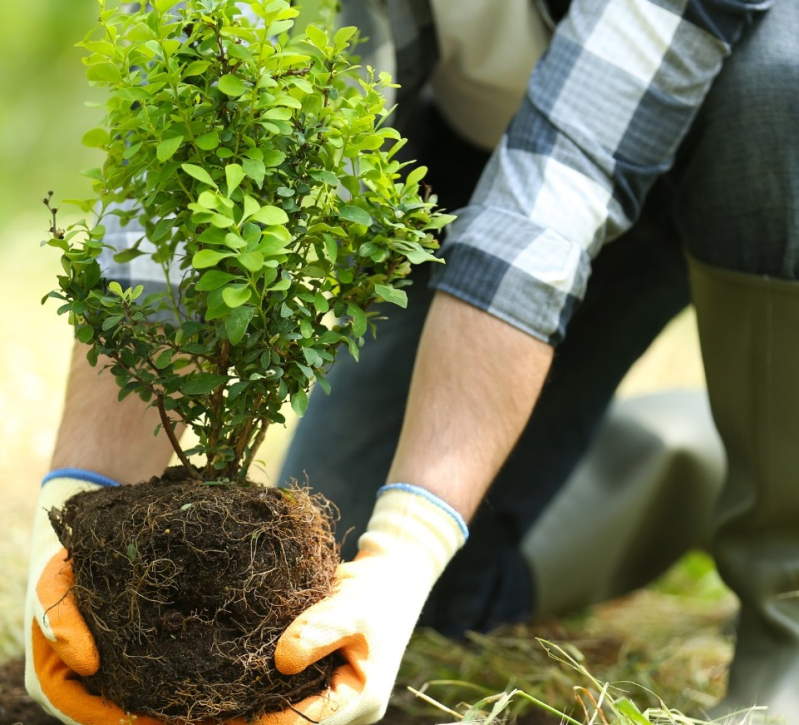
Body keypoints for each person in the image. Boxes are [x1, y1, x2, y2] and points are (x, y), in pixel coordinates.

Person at [25, 0, 799, 723]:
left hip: (734, 154)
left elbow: (564, 175)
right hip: (474, 170)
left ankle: (785, 611)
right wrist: (72, 519)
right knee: (363, 588)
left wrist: (410, 540)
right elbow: (184, 171)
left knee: (782, 79)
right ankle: (697, 453)